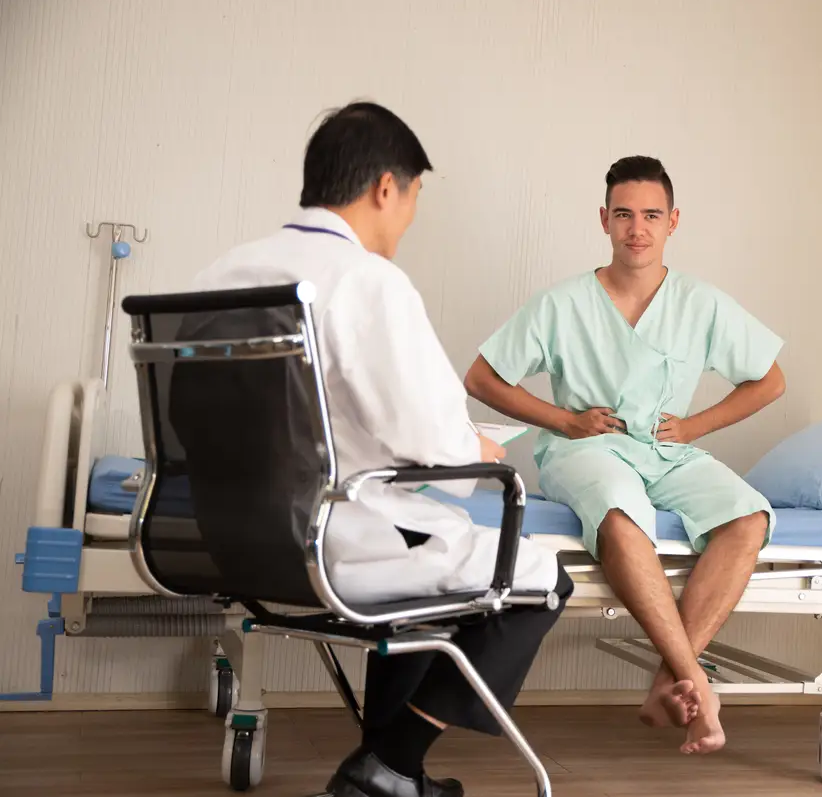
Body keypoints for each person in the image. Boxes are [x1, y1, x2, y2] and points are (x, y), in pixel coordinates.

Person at [190, 101, 571, 797]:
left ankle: (393, 772)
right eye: (415, 198)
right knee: (541, 578)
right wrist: (480, 446)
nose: (410, 220)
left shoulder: (223, 271)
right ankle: (391, 762)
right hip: (333, 542)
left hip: (238, 543)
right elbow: (437, 450)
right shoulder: (366, 281)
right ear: (386, 188)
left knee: (418, 565)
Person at [464, 155, 786, 756]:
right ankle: (701, 690)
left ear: (673, 222)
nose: (637, 228)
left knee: (748, 517)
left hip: (666, 452)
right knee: (619, 509)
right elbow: (481, 378)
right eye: (624, 215)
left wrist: (694, 426)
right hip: (587, 451)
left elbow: (769, 380)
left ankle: (671, 678)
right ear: (604, 222)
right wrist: (564, 419)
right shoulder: (562, 304)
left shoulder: (701, 302)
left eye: (651, 215)